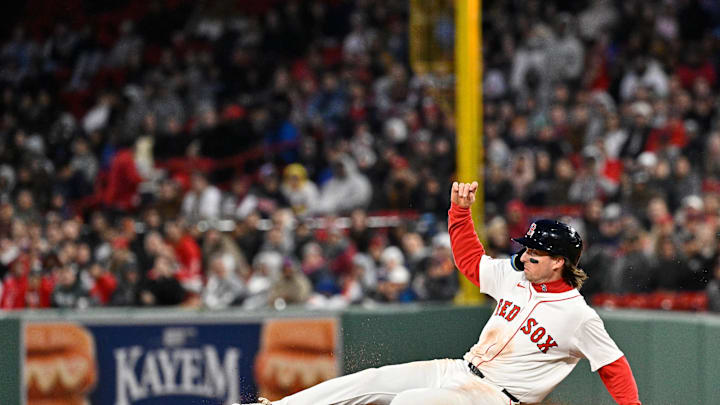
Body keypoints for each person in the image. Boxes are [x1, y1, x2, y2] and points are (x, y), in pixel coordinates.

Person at [241, 181, 641, 405]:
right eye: (527, 248)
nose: (526, 255)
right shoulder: (517, 277)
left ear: (559, 262)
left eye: (536, 252)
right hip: (459, 370)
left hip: (495, 398)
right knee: (369, 381)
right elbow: (471, 262)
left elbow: (613, 367)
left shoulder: (578, 315)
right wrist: (460, 213)